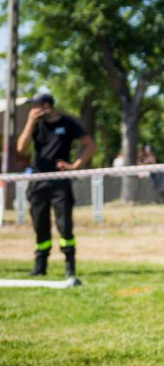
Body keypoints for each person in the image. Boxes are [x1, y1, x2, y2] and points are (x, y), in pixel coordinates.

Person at [17, 92, 96, 279]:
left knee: (65, 225)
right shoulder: (36, 125)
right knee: (40, 224)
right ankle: (40, 265)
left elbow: (90, 145)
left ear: (46, 106)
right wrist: (30, 123)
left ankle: (69, 266)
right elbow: (21, 149)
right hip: (38, 180)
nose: (33, 109)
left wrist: (75, 165)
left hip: (60, 181)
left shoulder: (68, 123)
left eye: (35, 105)